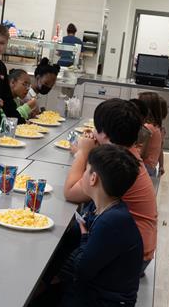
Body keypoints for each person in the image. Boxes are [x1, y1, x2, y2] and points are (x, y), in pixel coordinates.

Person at [16, 145, 143, 307]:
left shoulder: (112, 222)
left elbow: (81, 268)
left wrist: (84, 236)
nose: (82, 175)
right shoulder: (102, 207)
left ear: (93, 178)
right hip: (92, 291)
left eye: (86, 170)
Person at [64, 99, 157, 272]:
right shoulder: (128, 154)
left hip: (129, 257)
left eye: (96, 128)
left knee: (63, 246)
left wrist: (83, 152)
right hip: (138, 246)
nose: (92, 132)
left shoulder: (114, 165)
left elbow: (70, 193)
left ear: (105, 135)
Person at [138, 92, 164, 177]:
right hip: (152, 167)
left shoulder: (147, 128)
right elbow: (160, 149)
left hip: (144, 167)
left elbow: (143, 154)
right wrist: (161, 166)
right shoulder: (157, 127)